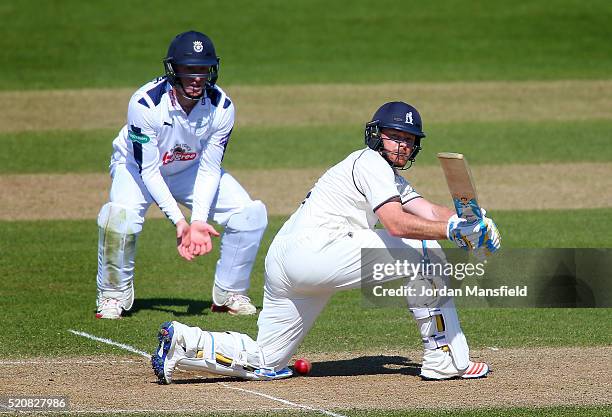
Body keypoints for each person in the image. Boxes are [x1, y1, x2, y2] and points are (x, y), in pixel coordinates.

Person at [151, 101, 501, 382]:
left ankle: (184, 341)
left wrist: (476, 219)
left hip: (287, 262)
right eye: (395, 136)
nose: (402, 144)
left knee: (267, 359)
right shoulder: (371, 163)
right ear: (377, 136)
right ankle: (445, 358)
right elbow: (397, 224)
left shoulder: (383, 174)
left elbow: (425, 210)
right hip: (318, 251)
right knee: (426, 251)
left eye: (409, 139)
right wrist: (454, 232)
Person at [95, 31, 266, 319]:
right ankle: (113, 295)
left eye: (203, 68)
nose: (197, 77)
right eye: (189, 69)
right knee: (119, 218)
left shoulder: (222, 107)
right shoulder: (145, 104)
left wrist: (198, 221)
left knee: (250, 215)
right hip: (135, 168)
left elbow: (210, 168)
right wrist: (179, 221)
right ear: (174, 69)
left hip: (189, 167)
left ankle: (229, 293)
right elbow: (148, 169)